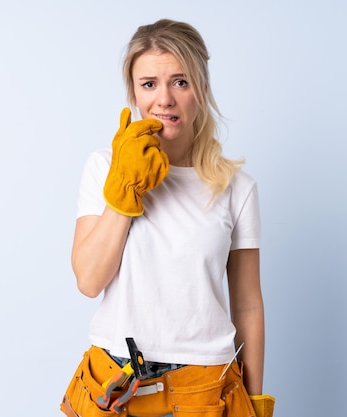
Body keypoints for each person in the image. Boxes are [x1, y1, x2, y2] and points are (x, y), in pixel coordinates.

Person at [61, 19, 275, 417]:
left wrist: (256, 403)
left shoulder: (236, 187)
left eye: (180, 82)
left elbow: (247, 305)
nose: (164, 99)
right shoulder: (104, 168)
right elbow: (89, 281)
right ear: (134, 95)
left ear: (202, 88)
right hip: (115, 388)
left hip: (205, 392)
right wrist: (125, 191)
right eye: (149, 84)